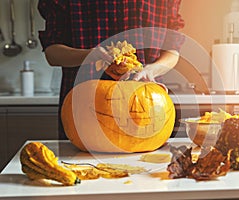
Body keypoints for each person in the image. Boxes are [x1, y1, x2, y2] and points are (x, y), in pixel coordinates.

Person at [38, 0, 185, 139]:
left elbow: (172, 51)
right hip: (84, 105)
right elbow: (53, 53)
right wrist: (90, 56)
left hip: (147, 102)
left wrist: (151, 70)